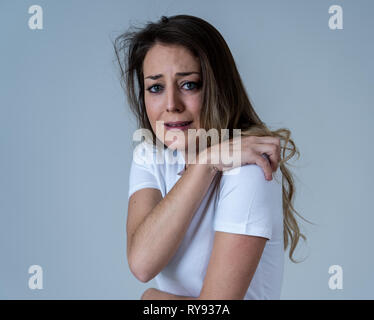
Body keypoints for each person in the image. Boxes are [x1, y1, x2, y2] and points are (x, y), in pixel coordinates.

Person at [113, 14, 307, 300]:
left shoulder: (249, 171)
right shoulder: (150, 156)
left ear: (217, 87)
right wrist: (204, 164)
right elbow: (142, 264)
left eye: (189, 84)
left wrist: (152, 300)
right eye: (156, 87)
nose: (171, 105)